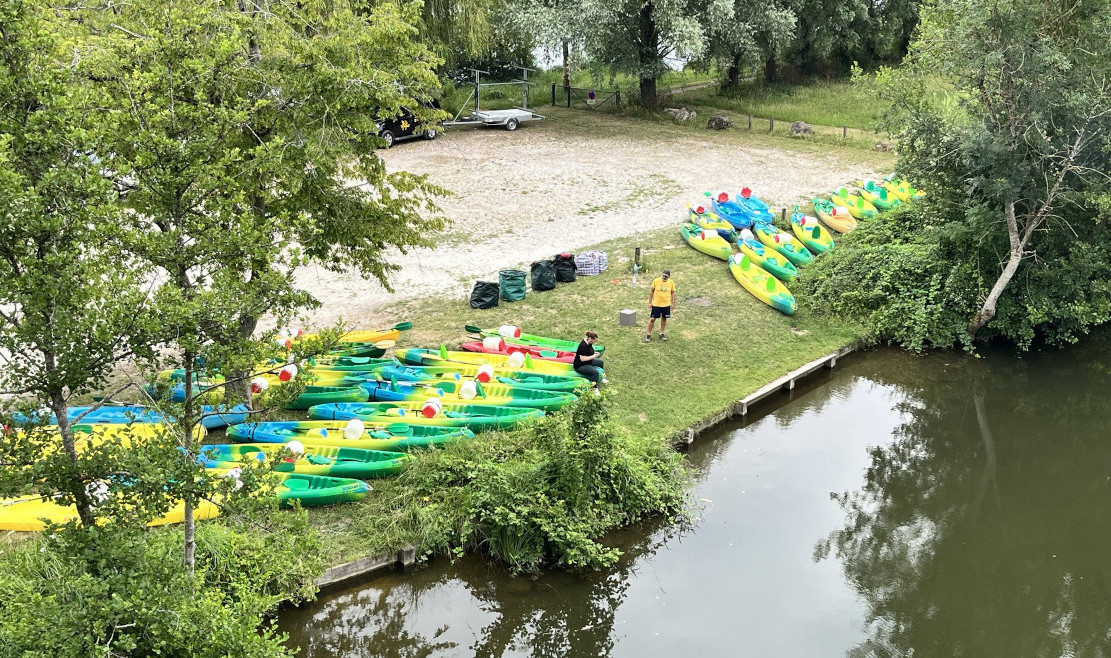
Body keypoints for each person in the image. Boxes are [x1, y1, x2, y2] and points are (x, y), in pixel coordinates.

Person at [646, 269, 676, 342]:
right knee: (652, 319)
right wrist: (650, 302)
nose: (664, 277)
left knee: (664, 318)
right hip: (656, 304)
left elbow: (673, 293)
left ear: (668, 277)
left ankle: (661, 333)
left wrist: (673, 303)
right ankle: (648, 334)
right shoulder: (656, 281)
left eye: (666, 276)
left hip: (666, 304)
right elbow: (651, 291)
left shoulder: (671, 283)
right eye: (663, 276)